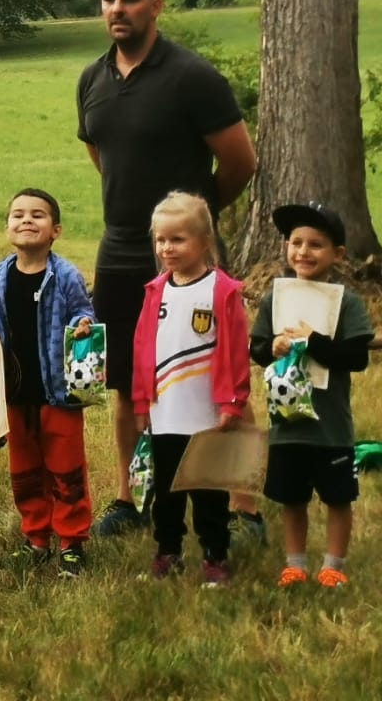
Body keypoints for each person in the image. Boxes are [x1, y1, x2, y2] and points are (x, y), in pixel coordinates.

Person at [77, 0, 256, 537]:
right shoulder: (93, 79)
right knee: (127, 384)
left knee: (217, 380)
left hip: (192, 263)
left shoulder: (192, 77)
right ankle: (129, 497)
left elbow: (239, 161)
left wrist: (193, 231)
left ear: (156, 5)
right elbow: (102, 155)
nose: (116, 10)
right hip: (121, 253)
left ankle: (240, 506)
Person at [0, 189, 94, 576]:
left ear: (55, 230)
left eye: (37, 215)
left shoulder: (66, 274)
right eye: (18, 215)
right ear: (7, 227)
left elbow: (84, 310)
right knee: (25, 470)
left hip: (58, 392)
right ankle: (36, 536)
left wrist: (82, 324)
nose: (26, 221)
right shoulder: (0, 274)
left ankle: (72, 541)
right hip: (17, 393)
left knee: (66, 468)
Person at [250, 202, 374, 589]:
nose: (303, 252)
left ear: (337, 254)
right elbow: (256, 347)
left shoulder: (345, 302)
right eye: (296, 242)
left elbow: (356, 358)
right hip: (287, 423)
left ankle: (333, 564)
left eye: (315, 245)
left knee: (338, 497)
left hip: (330, 427)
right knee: (292, 498)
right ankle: (295, 564)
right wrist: (271, 347)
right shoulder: (277, 297)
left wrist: (314, 341)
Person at [132, 192, 251, 587]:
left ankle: (215, 555)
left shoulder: (222, 291)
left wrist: (233, 401)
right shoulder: (156, 292)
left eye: (177, 239)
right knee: (165, 491)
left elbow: (235, 350)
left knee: (208, 490)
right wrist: (140, 399)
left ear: (204, 241)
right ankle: (168, 552)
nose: (167, 248)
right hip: (165, 412)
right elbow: (142, 348)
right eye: (161, 240)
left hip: (207, 414)